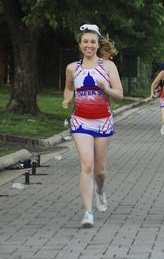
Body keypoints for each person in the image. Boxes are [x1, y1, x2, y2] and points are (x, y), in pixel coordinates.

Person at [62, 24, 123, 228]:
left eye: (92, 42)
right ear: (80, 45)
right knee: (87, 165)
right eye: (85, 42)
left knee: (99, 170)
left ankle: (100, 191)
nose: (88, 45)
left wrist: (106, 87)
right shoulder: (72, 68)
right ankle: (88, 212)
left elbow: (120, 94)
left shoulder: (108, 66)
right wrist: (67, 99)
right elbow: (69, 88)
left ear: (98, 45)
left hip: (103, 121)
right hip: (80, 121)